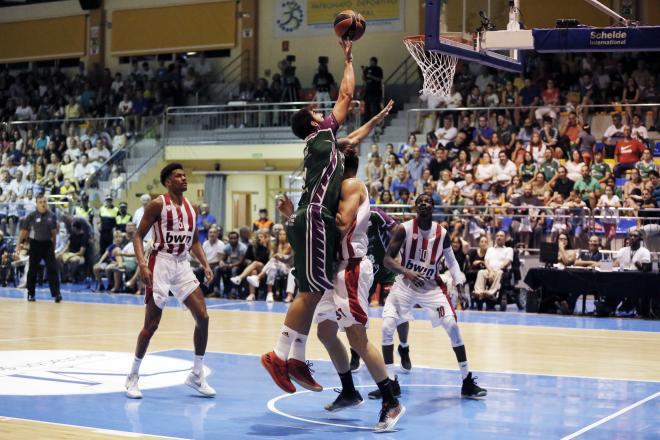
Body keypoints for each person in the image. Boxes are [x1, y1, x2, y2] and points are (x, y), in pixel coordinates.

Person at [261, 38, 394, 395]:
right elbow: (346, 97)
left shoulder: (324, 146)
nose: (325, 113)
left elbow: (352, 137)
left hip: (311, 218)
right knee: (309, 290)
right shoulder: (320, 137)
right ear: (314, 122)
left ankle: (295, 359)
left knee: (314, 289)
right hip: (316, 218)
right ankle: (279, 356)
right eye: (320, 113)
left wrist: (376, 120)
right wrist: (348, 59)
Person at [313, 153, 405, 431]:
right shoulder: (339, 188)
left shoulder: (351, 184)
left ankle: (391, 401)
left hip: (351, 268)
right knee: (326, 331)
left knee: (357, 337)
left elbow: (340, 223)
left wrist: (311, 212)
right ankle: (350, 391)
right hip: (336, 268)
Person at [374, 194, 486, 400]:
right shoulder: (404, 229)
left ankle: (467, 381)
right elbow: (387, 259)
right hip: (405, 285)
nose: (424, 203)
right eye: (420, 201)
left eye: (427, 201)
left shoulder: (441, 232)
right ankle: (390, 382)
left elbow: (451, 261)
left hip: (431, 288)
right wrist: (406, 271)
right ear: (415, 207)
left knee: (452, 327)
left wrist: (459, 277)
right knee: (387, 327)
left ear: (433, 207)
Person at [125, 163, 215, 399]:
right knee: (151, 325)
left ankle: (196, 374)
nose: (184, 179)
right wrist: (142, 263)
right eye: (178, 176)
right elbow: (137, 235)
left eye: (185, 175)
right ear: (167, 182)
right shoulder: (157, 204)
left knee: (203, 317)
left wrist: (205, 264)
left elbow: (194, 241)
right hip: (160, 262)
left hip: (182, 263)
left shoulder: (191, 208)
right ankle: (133, 376)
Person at [17, 194, 61, 303]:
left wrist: (53, 247)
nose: (43, 204)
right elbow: (24, 232)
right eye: (40, 202)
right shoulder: (31, 216)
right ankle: (31, 294)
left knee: (52, 269)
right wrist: (18, 244)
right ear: (36, 203)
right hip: (35, 244)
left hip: (47, 245)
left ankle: (56, 294)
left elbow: (54, 234)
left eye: (44, 202)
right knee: (32, 270)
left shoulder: (52, 216)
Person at [473, 231, 513, 305]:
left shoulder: (508, 249)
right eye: (497, 236)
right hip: (489, 271)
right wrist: (491, 271)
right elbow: (486, 261)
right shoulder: (490, 249)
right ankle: (479, 292)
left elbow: (508, 261)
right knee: (481, 272)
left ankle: (490, 293)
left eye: (501, 236)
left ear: (505, 238)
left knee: (500, 273)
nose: (499, 237)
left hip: (501, 270)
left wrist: (496, 270)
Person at [362, 57, 383, 122]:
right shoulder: (368, 69)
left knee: (375, 108)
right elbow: (364, 79)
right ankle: (367, 122)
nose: (370, 63)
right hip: (368, 92)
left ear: (375, 62)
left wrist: (371, 77)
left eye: (372, 62)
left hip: (376, 92)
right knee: (367, 108)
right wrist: (364, 71)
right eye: (370, 61)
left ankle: (377, 121)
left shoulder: (378, 69)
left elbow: (379, 79)